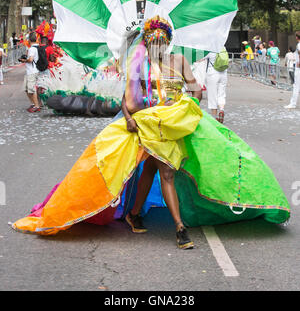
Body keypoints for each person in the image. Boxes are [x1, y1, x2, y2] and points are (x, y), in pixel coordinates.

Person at [11, 16, 290, 248]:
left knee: (154, 169)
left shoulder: (178, 61)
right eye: (152, 41)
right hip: (145, 125)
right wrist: (130, 117)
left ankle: (134, 214)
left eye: (161, 41)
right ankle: (180, 229)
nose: (157, 45)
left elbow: (196, 90)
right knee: (162, 169)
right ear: (147, 42)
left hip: (171, 124)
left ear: (167, 42)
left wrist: (186, 100)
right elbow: (127, 96)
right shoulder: (140, 64)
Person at [205, 49, 228, 123]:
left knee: (212, 95)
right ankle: (221, 110)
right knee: (222, 93)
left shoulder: (210, 48)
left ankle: (214, 117)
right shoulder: (223, 47)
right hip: (223, 72)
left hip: (212, 72)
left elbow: (200, 58)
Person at [20, 32, 40, 113]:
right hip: (30, 71)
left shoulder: (32, 49)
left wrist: (24, 60)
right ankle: (33, 104)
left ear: (29, 40)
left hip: (32, 71)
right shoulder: (37, 47)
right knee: (26, 89)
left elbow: (31, 60)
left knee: (31, 89)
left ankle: (36, 106)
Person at [285, 31, 300, 109]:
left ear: (296, 37)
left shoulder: (299, 45)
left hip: (298, 68)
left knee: (296, 86)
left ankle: (293, 103)